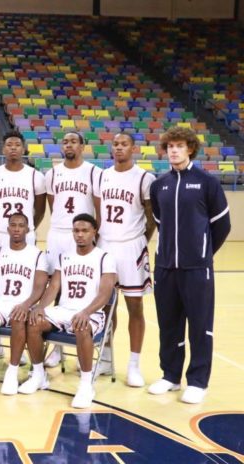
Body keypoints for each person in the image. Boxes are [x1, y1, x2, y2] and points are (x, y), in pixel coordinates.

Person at [147, 126, 230, 404]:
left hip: (197, 269)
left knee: (199, 326)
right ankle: (170, 376)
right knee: (168, 325)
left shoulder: (207, 183)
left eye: (179, 146)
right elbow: (160, 222)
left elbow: (222, 225)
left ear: (190, 148)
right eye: (170, 146)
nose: (174, 150)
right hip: (165, 267)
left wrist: (202, 253)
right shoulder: (159, 185)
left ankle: (197, 381)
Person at [18, 214, 116, 409]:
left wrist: (86, 312)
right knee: (33, 321)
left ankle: (86, 385)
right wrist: (40, 307)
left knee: (82, 326)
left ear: (94, 232)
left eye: (84, 231)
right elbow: (54, 287)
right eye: (76, 231)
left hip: (91, 313)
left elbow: (105, 295)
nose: (80, 235)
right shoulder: (65, 257)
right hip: (63, 310)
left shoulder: (105, 258)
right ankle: (39, 375)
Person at [95, 133, 156, 387]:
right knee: (105, 307)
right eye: (116, 144)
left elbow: (151, 217)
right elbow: (98, 213)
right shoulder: (102, 175)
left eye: (124, 144)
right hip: (105, 245)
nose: (119, 148)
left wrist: (140, 241)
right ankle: (106, 359)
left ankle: (134, 366)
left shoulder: (144, 178)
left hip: (132, 247)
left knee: (135, 307)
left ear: (134, 149)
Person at [0, 129, 46, 361]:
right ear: (3, 149)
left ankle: (22, 343)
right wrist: (3, 225)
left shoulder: (35, 176)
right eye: (9, 144)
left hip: (24, 234)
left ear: (23, 149)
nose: (13, 148)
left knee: (25, 285)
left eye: (17, 145)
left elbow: (40, 209)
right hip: (0, 233)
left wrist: (24, 228)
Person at [0, 213, 48, 393]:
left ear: (28, 229)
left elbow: (40, 287)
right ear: (8, 229)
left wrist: (26, 304)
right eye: (13, 225)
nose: (17, 229)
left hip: (23, 305)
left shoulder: (37, 255)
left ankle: (12, 372)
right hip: (0, 304)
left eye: (21, 225)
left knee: (18, 318)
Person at [43, 131, 101, 367]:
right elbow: (52, 205)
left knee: (86, 286)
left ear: (82, 146)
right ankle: (58, 349)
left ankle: (86, 345)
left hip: (82, 233)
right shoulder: (52, 173)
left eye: (74, 141)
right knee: (56, 288)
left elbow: (98, 208)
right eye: (65, 141)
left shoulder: (94, 172)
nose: (69, 145)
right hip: (58, 233)